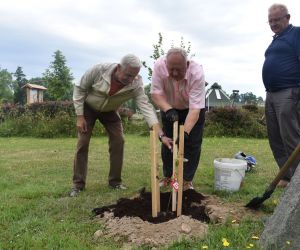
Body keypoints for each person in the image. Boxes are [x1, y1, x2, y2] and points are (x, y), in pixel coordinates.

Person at [70, 54, 172, 197]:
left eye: (134, 76)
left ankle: (115, 182)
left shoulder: (136, 83)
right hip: (88, 108)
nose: (130, 80)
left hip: (110, 111)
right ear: (119, 67)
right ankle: (78, 185)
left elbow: (146, 107)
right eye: (128, 75)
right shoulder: (99, 70)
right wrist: (80, 116)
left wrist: (160, 134)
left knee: (119, 140)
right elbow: (79, 89)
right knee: (83, 143)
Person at [151, 47, 206, 191]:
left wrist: (185, 133)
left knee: (192, 144)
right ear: (166, 65)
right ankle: (168, 177)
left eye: (179, 70)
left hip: (192, 109)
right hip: (168, 106)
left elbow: (195, 108)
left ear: (186, 65)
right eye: (171, 69)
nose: (174, 73)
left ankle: (187, 180)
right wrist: (168, 109)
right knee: (168, 142)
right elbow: (156, 93)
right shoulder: (159, 66)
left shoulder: (197, 73)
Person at [262, 4, 300, 188]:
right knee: (275, 137)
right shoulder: (276, 40)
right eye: (270, 21)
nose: (273, 23)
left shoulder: (296, 34)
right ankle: (287, 176)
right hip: (271, 94)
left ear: (288, 17)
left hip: (289, 91)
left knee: (290, 136)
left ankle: (298, 180)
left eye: (277, 20)